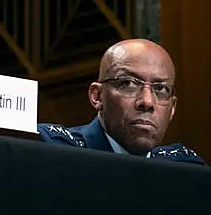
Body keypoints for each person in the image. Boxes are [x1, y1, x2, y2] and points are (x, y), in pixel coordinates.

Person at [38, 38, 206, 165]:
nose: (147, 102)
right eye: (128, 83)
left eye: (160, 89)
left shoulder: (185, 166)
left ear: (172, 108)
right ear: (97, 96)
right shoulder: (52, 149)